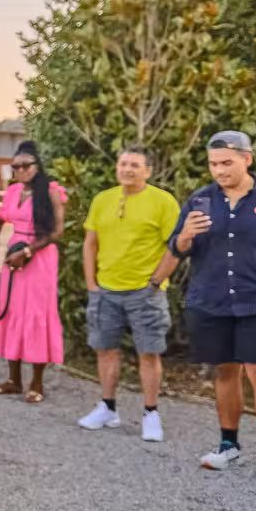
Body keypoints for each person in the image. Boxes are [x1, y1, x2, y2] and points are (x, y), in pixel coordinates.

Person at [153, 130, 256, 489]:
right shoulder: (200, 200)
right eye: (213, 164)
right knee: (225, 372)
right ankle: (229, 444)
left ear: (247, 159)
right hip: (212, 301)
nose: (219, 170)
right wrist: (185, 236)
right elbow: (177, 249)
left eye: (227, 162)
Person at [77, 148, 180, 442]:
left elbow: (177, 246)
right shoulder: (103, 200)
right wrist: (91, 285)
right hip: (105, 291)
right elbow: (90, 243)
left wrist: (156, 282)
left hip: (145, 294)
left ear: (147, 171)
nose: (127, 169)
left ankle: (150, 413)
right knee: (105, 349)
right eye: (123, 163)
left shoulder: (162, 201)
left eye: (135, 165)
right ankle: (107, 408)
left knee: (149, 352)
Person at [0, 141, 67, 404]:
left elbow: (56, 232)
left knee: (37, 314)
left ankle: (37, 382)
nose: (20, 170)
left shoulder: (51, 192)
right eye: (15, 166)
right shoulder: (13, 191)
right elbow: (0, 218)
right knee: (12, 312)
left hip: (38, 258)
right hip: (13, 257)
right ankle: (13, 380)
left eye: (25, 165)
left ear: (37, 165)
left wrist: (27, 252)